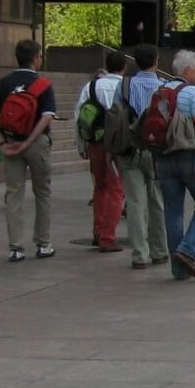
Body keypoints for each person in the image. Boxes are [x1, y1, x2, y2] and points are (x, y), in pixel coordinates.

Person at [155, 50, 195, 281]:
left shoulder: (160, 90)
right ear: (188, 70)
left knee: (173, 212)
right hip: (189, 156)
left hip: (164, 157)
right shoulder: (192, 92)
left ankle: (178, 269)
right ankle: (188, 249)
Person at [0, 39, 57, 261]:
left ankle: (15, 247)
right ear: (34, 58)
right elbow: (47, 117)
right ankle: (43, 244)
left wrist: (3, 142)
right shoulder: (43, 84)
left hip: (11, 142)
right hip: (37, 143)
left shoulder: (4, 83)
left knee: (13, 193)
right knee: (42, 192)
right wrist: (29, 141)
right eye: (40, 56)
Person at [123, 44, 171, 270]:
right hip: (156, 150)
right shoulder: (164, 87)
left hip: (131, 148)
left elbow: (117, 115)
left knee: (135, 202)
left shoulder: (125, 85)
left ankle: (139, 254)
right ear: (156, 62)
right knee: (157, 200)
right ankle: (159, 250)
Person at [76, 50, 126, 252]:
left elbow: (79, 116)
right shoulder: (125, 87)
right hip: (117, 145)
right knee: (116, 190)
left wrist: (81, 144)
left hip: (95, 143)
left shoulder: (91, 86)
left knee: (100, 186)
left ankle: (98, 231)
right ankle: (108, 237)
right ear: (124, 67)